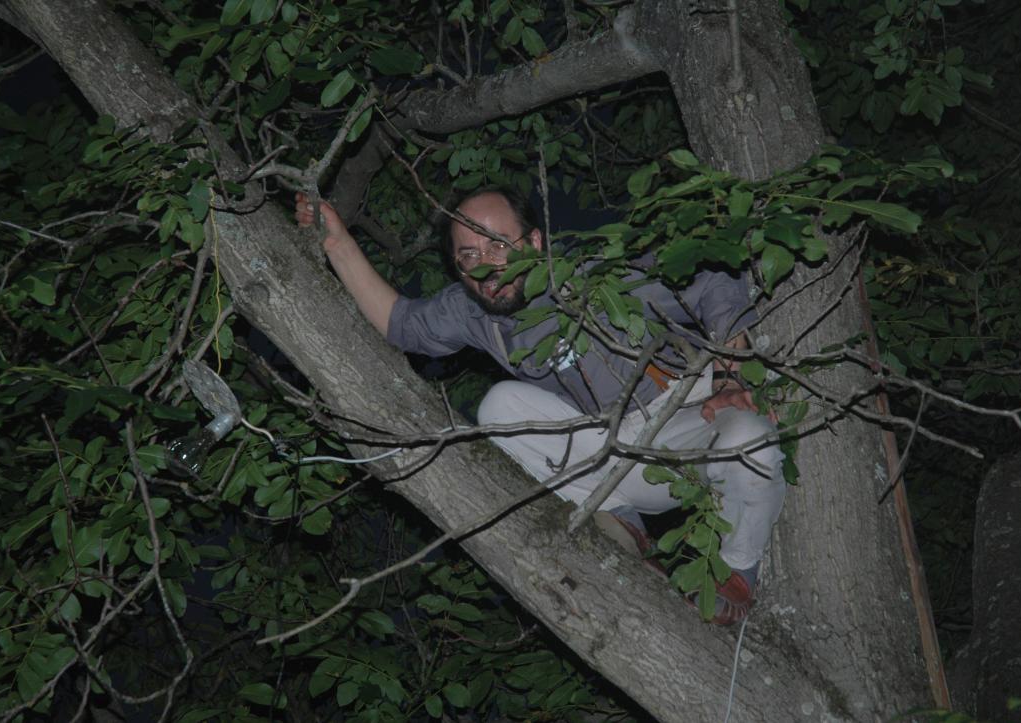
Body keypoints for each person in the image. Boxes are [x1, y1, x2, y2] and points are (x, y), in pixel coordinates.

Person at [294, 188, 786, 624]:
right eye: (469, 255)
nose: (485, 264)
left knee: (750, 437)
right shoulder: (473, 312)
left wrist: (730, 373)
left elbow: (712, 276)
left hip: (689, 422)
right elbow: (399, 323)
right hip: (616, 456)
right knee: (499, 406)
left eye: (497, 245)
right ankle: (625, 530)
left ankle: (735, 575)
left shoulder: (596, 275)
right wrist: (336, 241)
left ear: (532, 243)